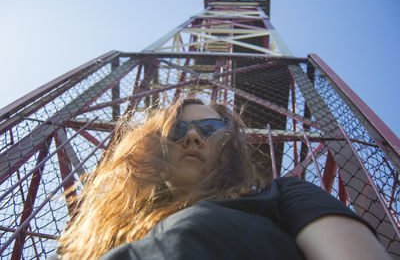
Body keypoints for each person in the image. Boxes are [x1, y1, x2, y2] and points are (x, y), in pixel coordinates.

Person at [57, 98, 390, 260]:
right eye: (177, 130)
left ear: (229, 143)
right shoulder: (111, 233)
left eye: (209, 129)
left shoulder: (282, 196)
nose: (192, 138)